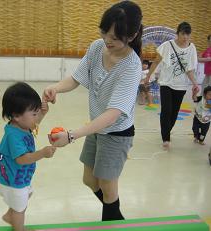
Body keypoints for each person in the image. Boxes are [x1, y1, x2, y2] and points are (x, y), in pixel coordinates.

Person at [43, 1, 142, 221]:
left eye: (115, 38)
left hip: (116, 133)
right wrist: (55, 88)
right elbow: (77, 78)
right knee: (89, 180)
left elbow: (112, 114)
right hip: (96, 127)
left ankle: (112, 221)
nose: (107, 40)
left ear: (132, 35)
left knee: (107, 187)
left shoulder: (132, 67)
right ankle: (116, 217)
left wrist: (71, 135)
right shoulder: (97, 47)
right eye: (104, 32)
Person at [0, 82, 56, 231]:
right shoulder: (13, 135)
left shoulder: (22, 125)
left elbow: (33, 124)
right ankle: (19, 228)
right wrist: (42, 153)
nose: (36, 118)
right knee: (20, 210)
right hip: (12, 181)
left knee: (25, 196)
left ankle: (10, 215)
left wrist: (43, 113)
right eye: (33, 113)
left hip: (20, 177)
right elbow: (21, 159)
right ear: (16, 115)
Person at [144, 22, 199, 149]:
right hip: (166, 83)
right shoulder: (167, 45)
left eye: (188, 34)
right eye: (183, 34)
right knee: (166, 110)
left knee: (174, 112)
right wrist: (148, 76)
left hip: (181, 85)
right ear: (177, 33)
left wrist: (195, 83)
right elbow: (156, 61)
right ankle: (166, 138)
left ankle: (166, 131)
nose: (185, 37)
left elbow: (189, 69)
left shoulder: (192, 48)